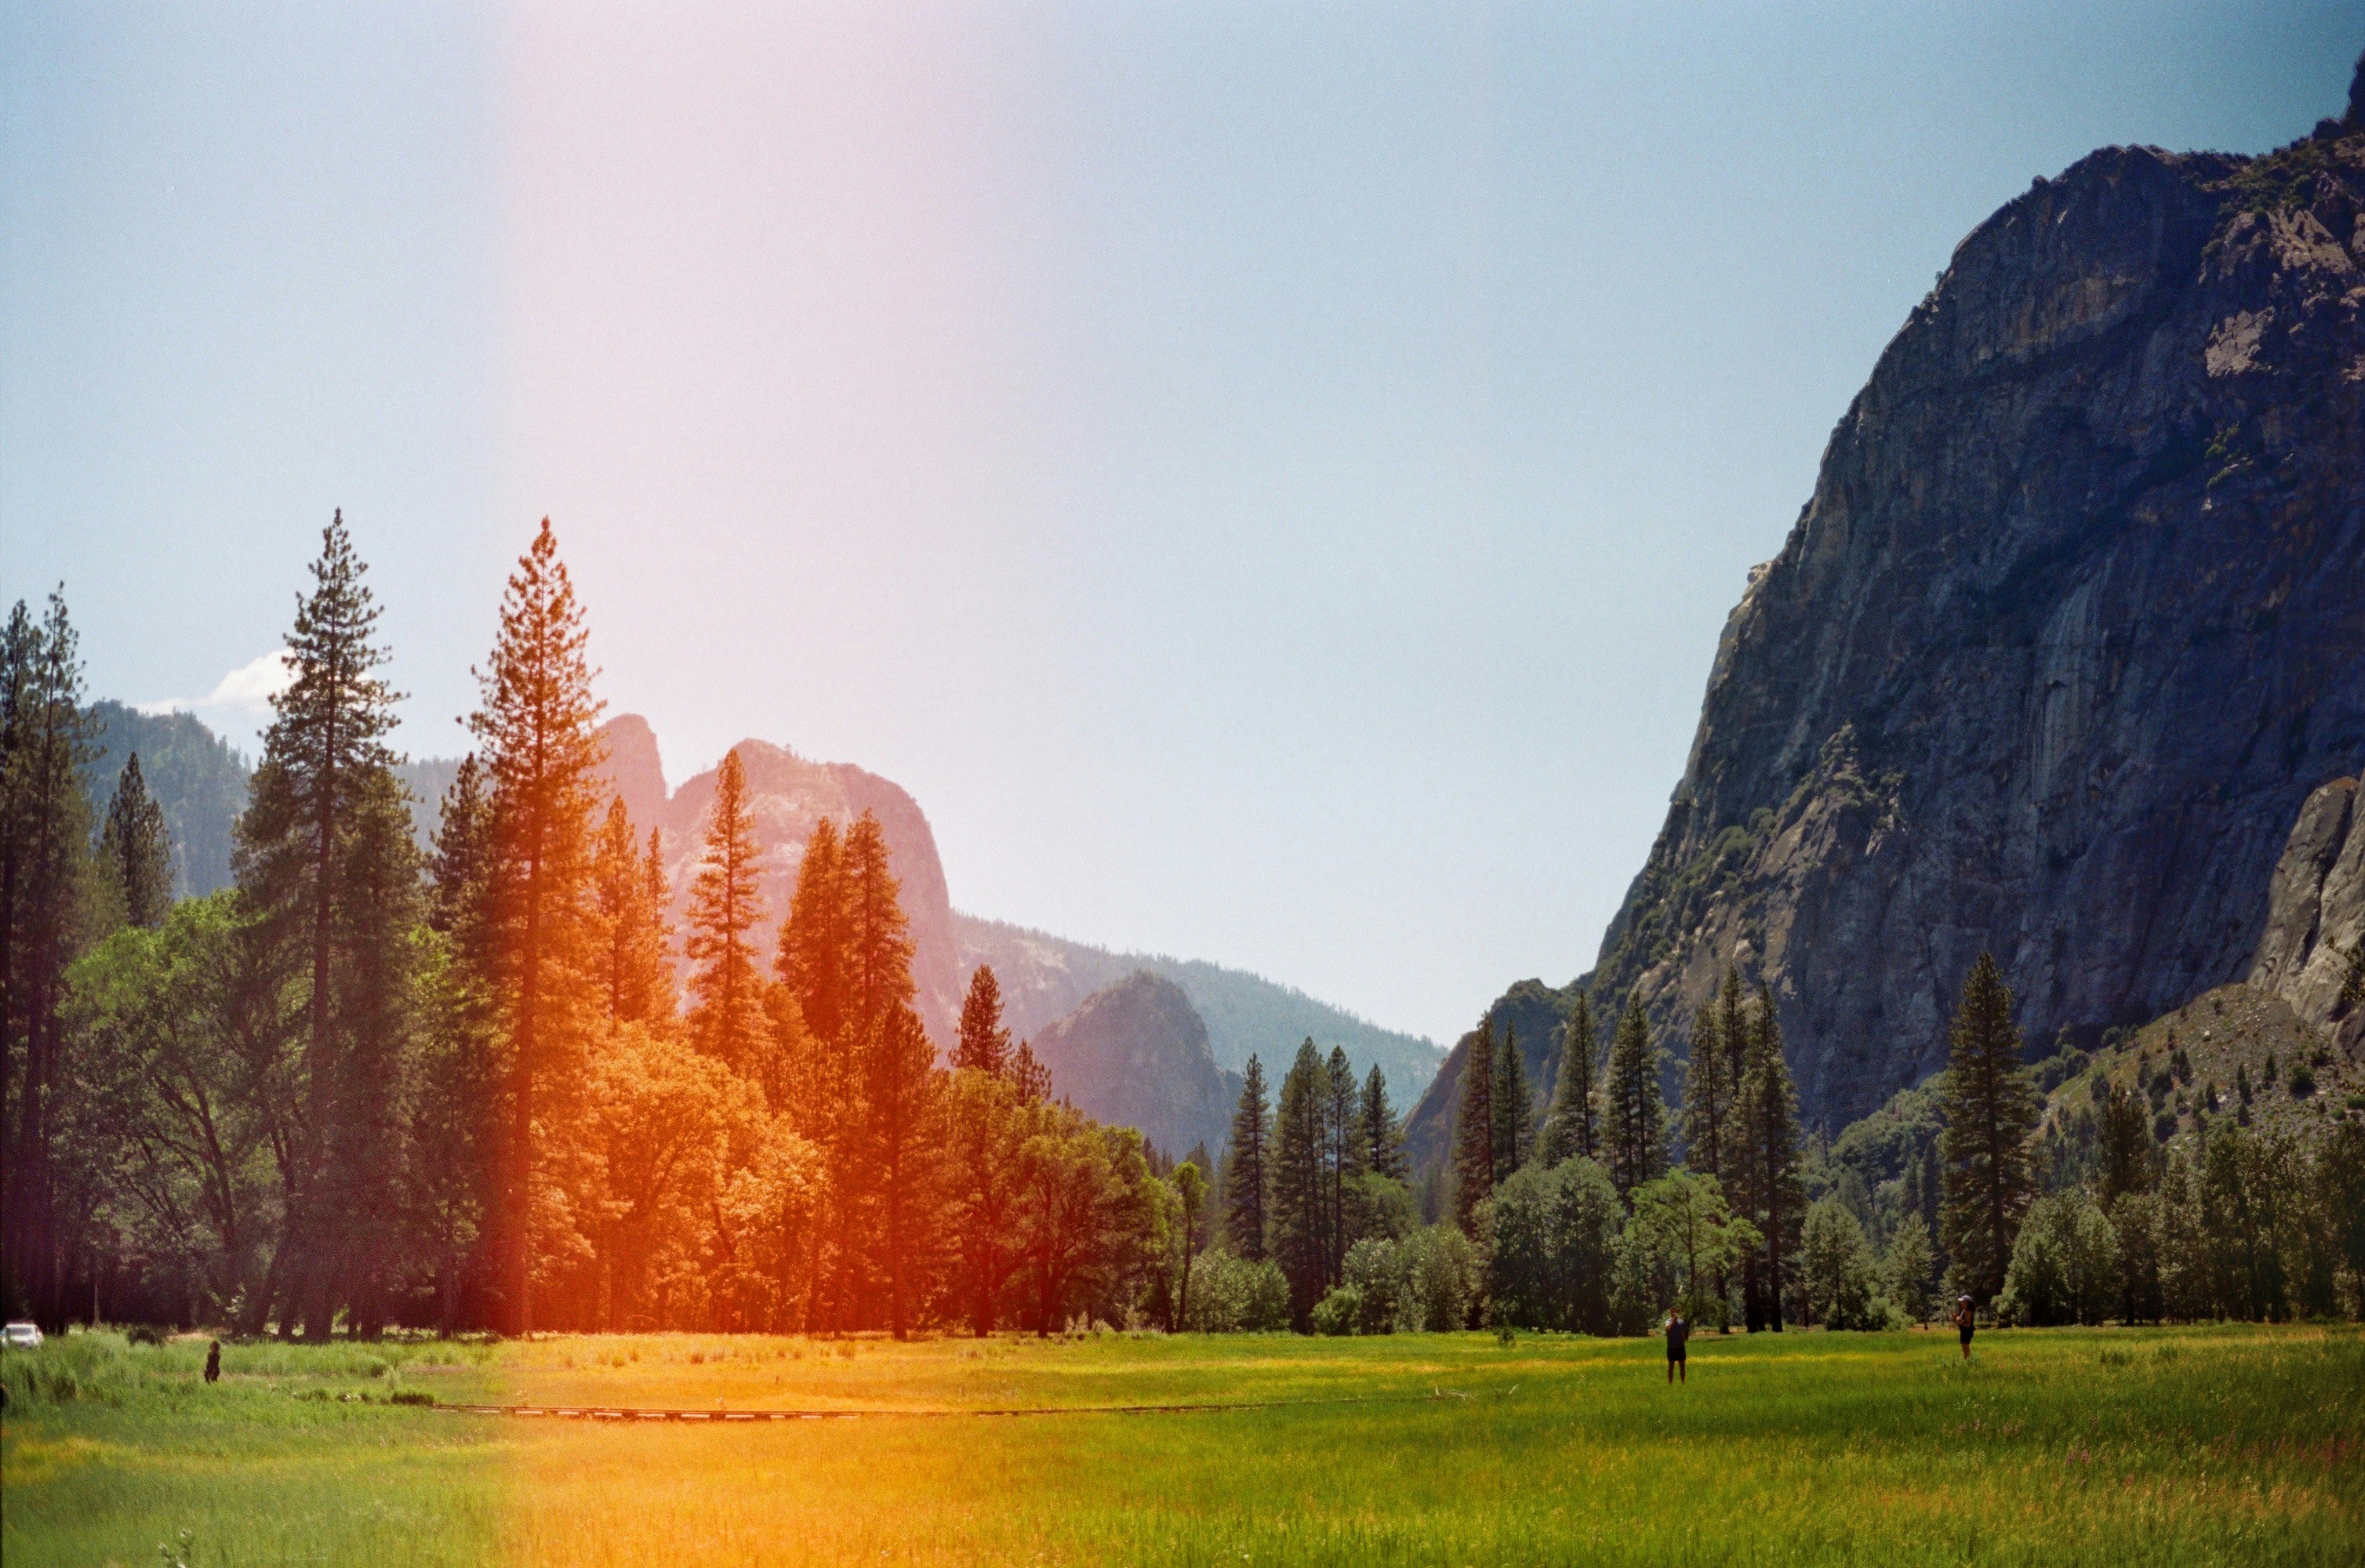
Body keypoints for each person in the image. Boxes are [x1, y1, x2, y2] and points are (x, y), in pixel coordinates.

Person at [1665, 1308, 1689, 1384]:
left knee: (1682, 1366)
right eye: (1673, 1312)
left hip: (1680, 1347)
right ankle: (1670, 1384)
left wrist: (1683, 1344)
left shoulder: (1681, 1323)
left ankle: (1683, 1383)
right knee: (1671, 1367)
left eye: (1676, 1312)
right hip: (1671, 1347)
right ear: (1671, 1313)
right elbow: (1668, 1329)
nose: (1674, 1313)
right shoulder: (1668, 1321)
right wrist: (1673, 1322)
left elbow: (1683, 1334)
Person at [1953, 1296, 1975, 1361]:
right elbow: (1962, 1321)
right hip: (1964, 1332)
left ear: (1966, 1302)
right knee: (1965, 1349)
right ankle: (1967, 1362)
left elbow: (1968, 1325)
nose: (1960, 1302)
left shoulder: (1967, 1312)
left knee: (1966, 1350)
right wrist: (1957, 1318)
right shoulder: (1964, 1311)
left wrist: (1958, 1320)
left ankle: (1968, 1363)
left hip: (1967, 1333)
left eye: (1962, 1301)